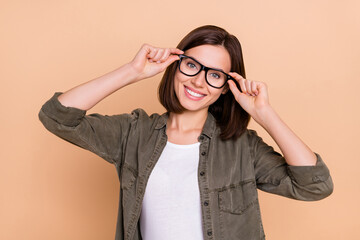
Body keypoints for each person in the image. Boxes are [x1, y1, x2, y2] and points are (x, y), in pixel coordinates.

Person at [38, 25, 333, 240]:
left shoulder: (243, 147)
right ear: (175, 66)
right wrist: (132, 71)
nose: (199, 82)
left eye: (215, 75)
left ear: (225, 88)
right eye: (192, 65)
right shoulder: (134, 133)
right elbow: (57, 116)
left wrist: (265, 114)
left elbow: (315, 185)